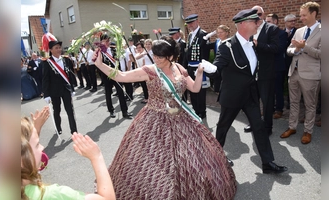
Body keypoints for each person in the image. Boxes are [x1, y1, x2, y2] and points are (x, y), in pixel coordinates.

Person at [93, 36, 237, 199]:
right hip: (154, 121)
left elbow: (195, 89)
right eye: (154, 55)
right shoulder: (149, 71)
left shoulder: (179, 69)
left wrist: (200, 73)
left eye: (160, 56)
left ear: (171, 56)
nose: (156, 59)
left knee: (191, 157)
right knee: (154, 162)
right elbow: (121, 76)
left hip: (182, 119)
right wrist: (100, 64)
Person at [207, 8, 288, 173]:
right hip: (232, 95)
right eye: (254, 21)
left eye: (258, 21)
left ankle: (267, 163)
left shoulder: (252, 44)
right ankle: (214, 159)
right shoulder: (227, 46)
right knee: (223, 128)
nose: (258, 23)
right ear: (242, 24)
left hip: (250, 95)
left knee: (259, 127)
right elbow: (218, 66)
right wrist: (209, 68)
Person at [21, 116, 115, 200]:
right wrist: (96, 157)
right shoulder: (53, 195)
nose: (42, 147)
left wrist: (34, 131)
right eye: (37, 145)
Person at [280, 2, 321, 144]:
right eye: (300, 15)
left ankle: (308, 131)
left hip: (311, 74)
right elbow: (289, 50)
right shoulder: (299, 31)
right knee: (294, 102)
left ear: (313, 13)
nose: (301, 18)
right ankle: (292, 127)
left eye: (304, 15)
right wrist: (296, 50)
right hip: (294, 72)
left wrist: (305, 47)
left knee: (310, 105)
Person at [243, 5, 280, 135]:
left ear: (263, 15)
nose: (256, 17)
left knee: (267, 102)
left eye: (258, 14)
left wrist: (260, 45)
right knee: (253, 101)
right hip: (252, 74)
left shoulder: (272, 29)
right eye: (253, 14)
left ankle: (267, 127)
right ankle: (254, 123)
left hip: (266, 73)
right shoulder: (249, 29)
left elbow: (276, 48)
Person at [42, 40, 78, 135]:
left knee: (70, 110)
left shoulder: (66, 59)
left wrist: (72, 89)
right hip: (54, 91)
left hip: (66, 89)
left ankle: (74, 130)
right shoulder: (47, 63)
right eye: (56, 48)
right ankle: (58, 128)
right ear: (51, 50)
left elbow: (70, 75)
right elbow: (45, 79)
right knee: (57, 110)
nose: (59, 50)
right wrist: (46, 94)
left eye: (59, 47)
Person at [183, 14, 211, 119]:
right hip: (190, 66)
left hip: (199, 66)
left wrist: (203, 67)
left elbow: (205, 53)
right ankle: (195, 110)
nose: (190, 25)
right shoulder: (190, 35)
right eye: (189, 23)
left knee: (200, 91)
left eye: (192, 22)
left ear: (197, 22)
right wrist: (185, 67)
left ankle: (201, 111)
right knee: (191, 89)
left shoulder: (203, 34)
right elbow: (187, 52)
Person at [99, 34, 132, 119]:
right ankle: (111, 110)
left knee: (121, 92)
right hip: (107, 75)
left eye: (108, 40)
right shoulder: (100, 52)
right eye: (105, 40)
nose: (107, 42)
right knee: (108, 93)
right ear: (101, 42)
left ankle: (125, 111)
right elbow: (99, 65)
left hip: (116, 74)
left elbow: (118, 61)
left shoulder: (114, 50)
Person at [265, 14, 288, 119]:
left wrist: (264, 48)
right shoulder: (265, 33)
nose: (266, 23)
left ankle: (279, 109)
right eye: (266, 21)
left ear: (275, 22)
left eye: (269, 21)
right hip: (268, 66)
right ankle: (271, 108)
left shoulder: (282, 34)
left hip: (278, 66)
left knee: (278, 89)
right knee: (269, 90)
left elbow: (279, 49)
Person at [208, 25, 231, 94]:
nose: (219, 34)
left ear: (227, 33)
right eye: (218, 33)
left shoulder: (230, 42)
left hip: (226, 67)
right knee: (218, 88)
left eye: (221, 32)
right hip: (218, 66)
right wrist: (207, 36)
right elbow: (205, 46)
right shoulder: (217, 42)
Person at [283, 14, 298, 110]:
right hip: (282, 61)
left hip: (292, 61)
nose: (293, 23)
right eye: (291, 21)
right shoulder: (280, 32)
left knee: (292, 82)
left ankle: (290, 102)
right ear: (285, 22)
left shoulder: (298, 32)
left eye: (294, 21)